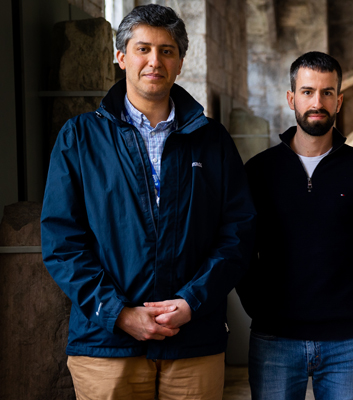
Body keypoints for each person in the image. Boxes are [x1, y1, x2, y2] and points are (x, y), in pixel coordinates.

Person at [40, 4, 255, 399]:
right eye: (143, 49)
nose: (154, 61)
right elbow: (61, 242)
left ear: (180, 62)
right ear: (121, 57)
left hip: (193, 341)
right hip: (106, 345)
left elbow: (238, 234)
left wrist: (192, 302)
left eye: (166, 50)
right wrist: (119, 313)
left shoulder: (213, 141)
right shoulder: (79, 138)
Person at [238, 51, 353, 400]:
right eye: (307, 92)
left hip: (346, 343)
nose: (316, 102)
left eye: (326, 92)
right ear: (291, 98)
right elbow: (241, 249)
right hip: (274, 340)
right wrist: (258, 308)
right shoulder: (259, 172)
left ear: (339, 100)